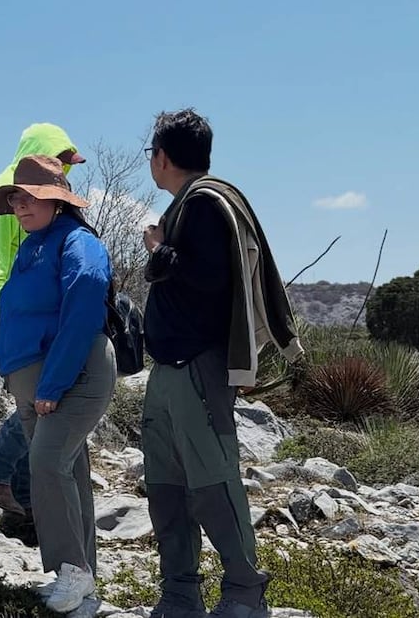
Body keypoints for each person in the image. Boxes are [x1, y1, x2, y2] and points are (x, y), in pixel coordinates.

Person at [141, 109, 304, 618]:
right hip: (170, 371)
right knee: (167, 489)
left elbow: (209, 282)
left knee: (213, 483)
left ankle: (243, 591)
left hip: (197, 368)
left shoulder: (206, 205)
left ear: (162, 157)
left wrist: (160, 249)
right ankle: (180, 594)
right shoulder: (191, 204)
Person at [0, 155, 116, 613]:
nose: (21, 207)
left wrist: (52, 384)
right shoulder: (34, 245)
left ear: (57, 202)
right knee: (69, 472)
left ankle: (72, 569)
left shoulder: (77, 242)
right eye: (16, 199)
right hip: (34, 382)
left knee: (47, 465)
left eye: (30, 199)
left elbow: (84, 301)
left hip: (72, 376)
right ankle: (83, 574)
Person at [0, 124, 86, 524]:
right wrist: (2, 312)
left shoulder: (36, 196)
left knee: (37, 406)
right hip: (8, 314)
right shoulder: (4, 195)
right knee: (37, 406)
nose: (66, 171)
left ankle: (23, 513)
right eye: (62, 160)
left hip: (28, 314)